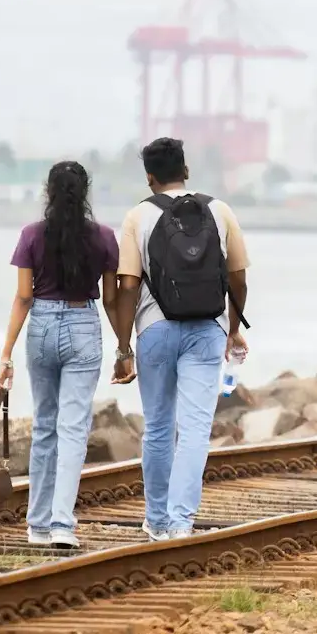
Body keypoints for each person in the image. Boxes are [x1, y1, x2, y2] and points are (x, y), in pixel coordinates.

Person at [111, 137, 249, 541]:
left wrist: (124, 348)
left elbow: (128, 286)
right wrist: (233, 328)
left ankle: (156, 521)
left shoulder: (138, 216)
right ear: (186, 171)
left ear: (149, 177)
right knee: (194, 429)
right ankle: (180, 523)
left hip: (154, 330)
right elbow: (238, 277)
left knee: (157, 427)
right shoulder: (219, 210)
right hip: (208, 329)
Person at [0, 161, 120, 550]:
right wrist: (125, 347)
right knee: (72, 429)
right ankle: (62, 525)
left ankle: (36, 524)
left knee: (45, 426)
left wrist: (6, 354)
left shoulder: (31, 235)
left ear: (48, 192)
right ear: (85, 193)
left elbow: (23, 297)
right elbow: (113, 298)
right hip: (84, 324)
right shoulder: (103, 238)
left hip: (42, 327)